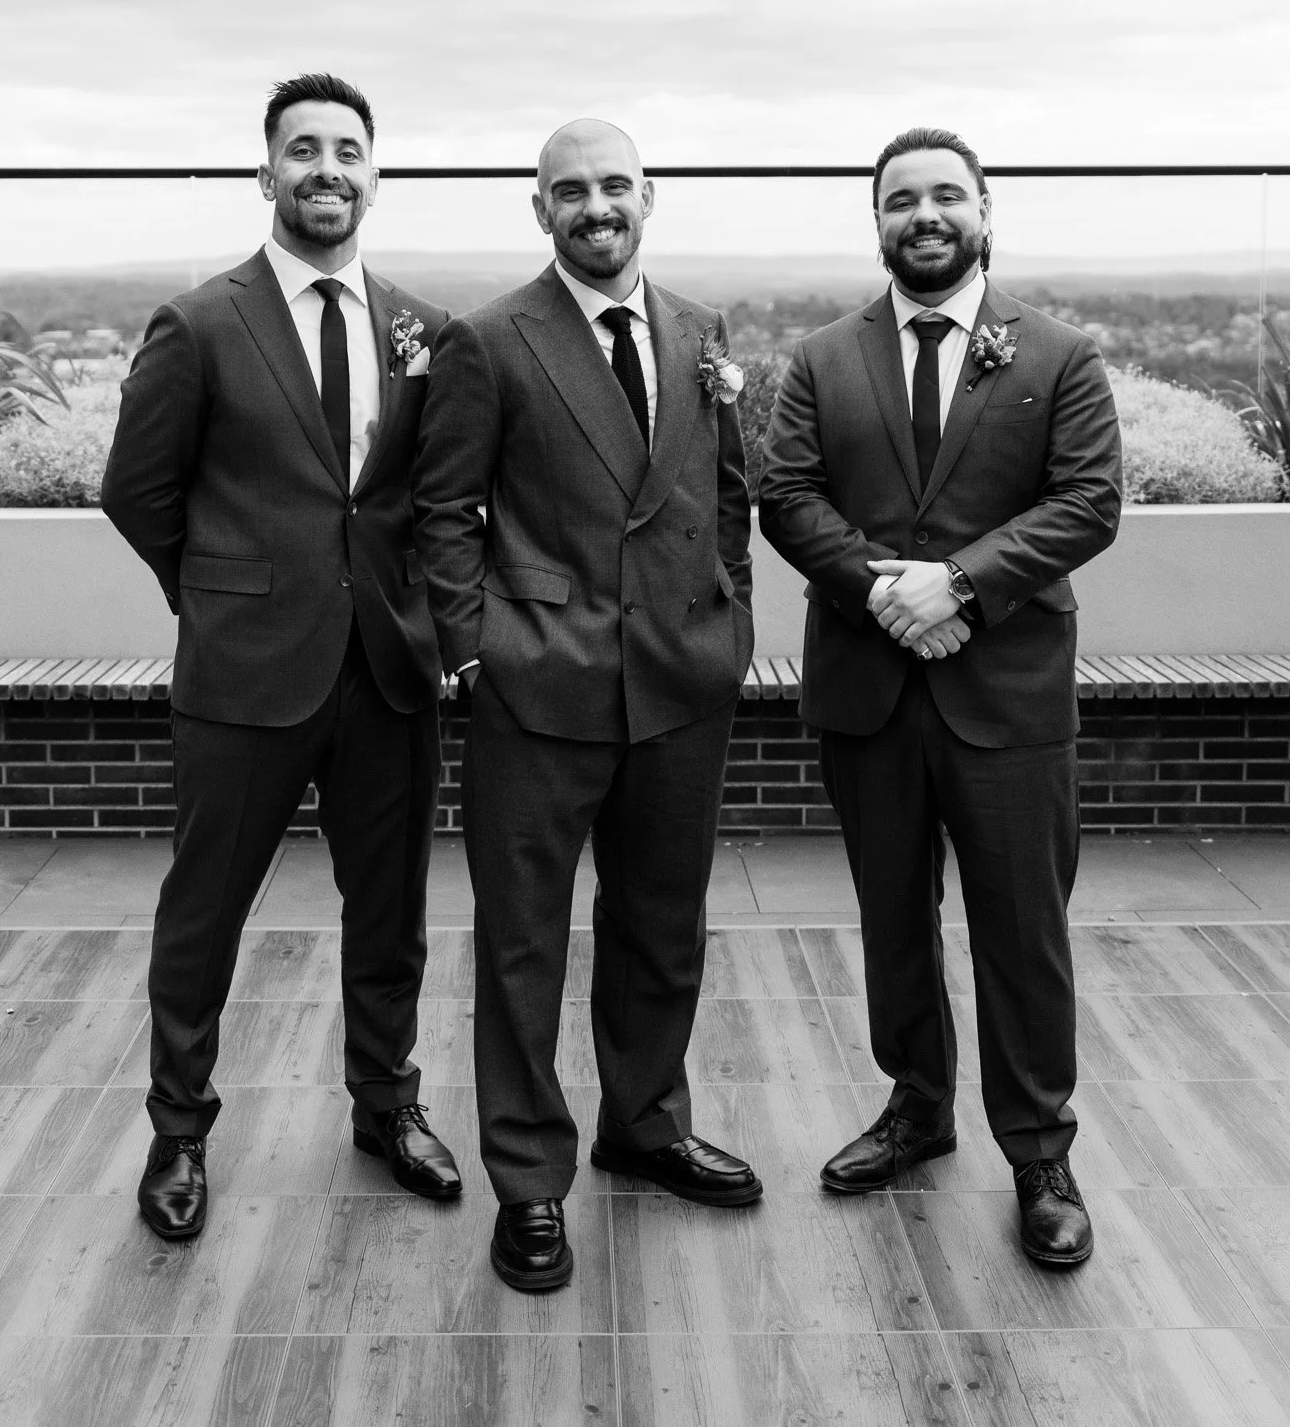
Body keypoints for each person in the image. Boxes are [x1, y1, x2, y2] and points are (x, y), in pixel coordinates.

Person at [102, 73, 461, 1240]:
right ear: (268, 174)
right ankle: (179, 1127)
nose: (327, 169)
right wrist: (219, 594)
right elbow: (137, 491)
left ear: (374, 174)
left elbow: (424, 499)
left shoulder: (423, 331)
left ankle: (385, 1104)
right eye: (302, 149)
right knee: (205, 907)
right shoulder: (201, 323)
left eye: (347, 150)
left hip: (387, 672)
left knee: (391, 908)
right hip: (244, 674)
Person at [758, 126, 1121, 1268]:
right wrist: (886, 591)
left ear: (983, 211)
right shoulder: (822, 357)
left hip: (1007, 693)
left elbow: (1088, 501)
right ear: (875, 220)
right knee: (892, 917)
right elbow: (784, 492)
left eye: (946, 196)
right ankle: (917, 1105)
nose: (926, 214)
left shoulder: (1059, 355)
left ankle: (1039, 1151)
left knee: (1024, 929)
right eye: (902, 198)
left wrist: (961, 582)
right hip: (872, 692)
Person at [412, 118, 761, 1292]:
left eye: (615, 184)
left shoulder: (703, 332)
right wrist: (475, 656)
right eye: (572, 189)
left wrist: (730, 625)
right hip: (537, 689)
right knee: (522, 947)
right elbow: (444, 512)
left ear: (649, 196)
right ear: (540, 208)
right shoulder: (490, 338)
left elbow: (727, 495)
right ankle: (528, 1179)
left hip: (679, 683)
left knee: (663, 929)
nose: (595, 204)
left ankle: (646, 1124)